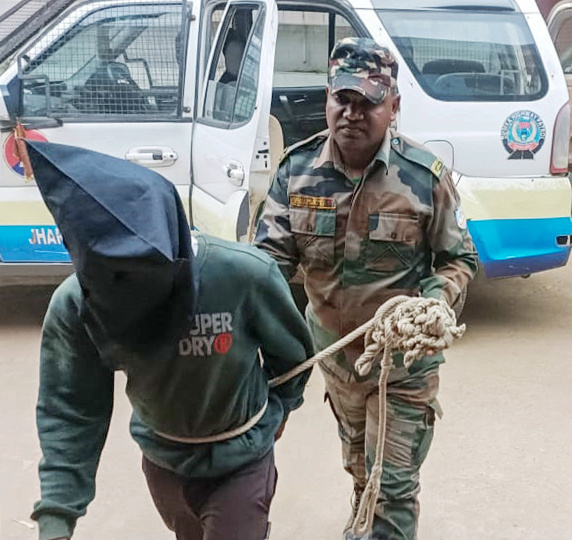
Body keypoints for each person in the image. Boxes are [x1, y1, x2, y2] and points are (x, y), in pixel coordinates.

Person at [27, 141, 313, 540]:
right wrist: (56, 519)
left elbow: (294, 357)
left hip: (241, 459)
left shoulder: (244, 276)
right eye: (115, 281)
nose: (131, 291)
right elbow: (71, 408)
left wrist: (275, 411)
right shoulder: (77, 305)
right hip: (163, 458)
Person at [255, 38, 478, 539]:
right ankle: (365, 519)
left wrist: (437, 302)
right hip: (336, 362)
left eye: (369, 103)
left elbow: (459, 257)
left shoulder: (425, 178)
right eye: (343, 99)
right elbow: (266, 267)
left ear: (393, 107)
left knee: (394, 485)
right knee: (361, 468)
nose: (352, 114)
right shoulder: (296, 172)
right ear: (327, 99)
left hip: (402, 367)